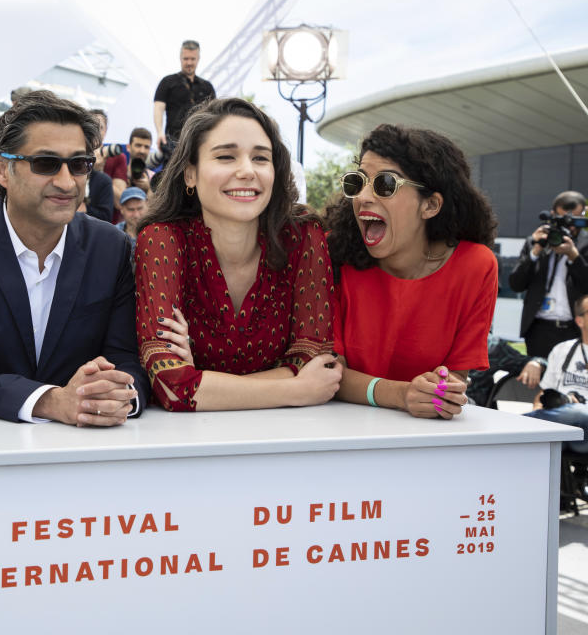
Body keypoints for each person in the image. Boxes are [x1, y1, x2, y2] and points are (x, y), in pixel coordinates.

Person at [0, 90, 149, 426]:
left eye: (79, 164)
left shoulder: (112, 248)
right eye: (46, 163)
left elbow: (127, 361)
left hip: (87, 452)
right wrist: (52, 401)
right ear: (1, 169)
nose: (67, 182)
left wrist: (116, 396)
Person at [137, 97, 339, 412]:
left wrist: (202, 381)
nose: (246, 171)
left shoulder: (302, 237)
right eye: (226, 157)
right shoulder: (163, 240)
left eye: (260, 158)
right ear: (190, 174)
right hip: (185, 442)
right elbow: (171, 386)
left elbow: (316, 362)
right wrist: (296, 390)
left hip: (288, 438)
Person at [326, 123, 499, 418]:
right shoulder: (332, 254)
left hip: (424, 440)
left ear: (430, 204)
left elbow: (455, 379)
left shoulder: (477, 266)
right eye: (358, 182)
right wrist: (401, 394)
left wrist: (440, 392)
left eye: (385, 184)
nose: (364, 196)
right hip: (334, 429)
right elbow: (328, 373)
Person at [509, 191, 588, 359]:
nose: (570, 227)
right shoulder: (536, 241)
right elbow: (516, 284)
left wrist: (573, 255)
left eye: (573, 220)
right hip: (539, 329)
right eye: (562, 219)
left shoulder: (585, 244)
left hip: (575, 329)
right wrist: (536, 250)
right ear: (552, 215)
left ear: (583, 214)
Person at [524, 293, 588, 453]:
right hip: (559, 425)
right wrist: (537, 412)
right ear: (579, 320)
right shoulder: (562, 350)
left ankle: (519, 423)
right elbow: (543, 394)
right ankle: (523, 425)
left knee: (580, 412)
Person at [153, 40, 215, 153]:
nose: (189, 63)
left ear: (198, 59)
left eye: (193, 59)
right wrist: (159, 132)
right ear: (180, 58)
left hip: (200, 142)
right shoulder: (167, 82)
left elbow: (215, 114)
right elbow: (158, 108)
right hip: (173, 142)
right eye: (186, 59)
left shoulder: (207, 87)